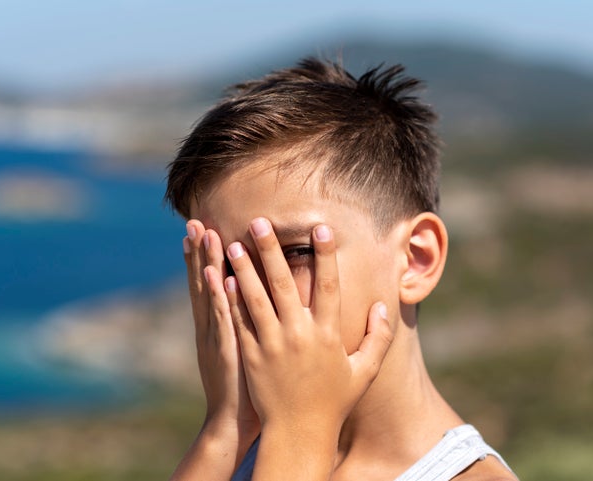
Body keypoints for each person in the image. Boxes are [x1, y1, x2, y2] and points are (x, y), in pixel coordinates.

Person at [164, 57, 517, 481]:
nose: (251, 294)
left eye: (292, 253)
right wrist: (226, 427)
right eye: (224, 265)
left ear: (415, 260)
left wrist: (300, 425)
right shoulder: (235, 450)